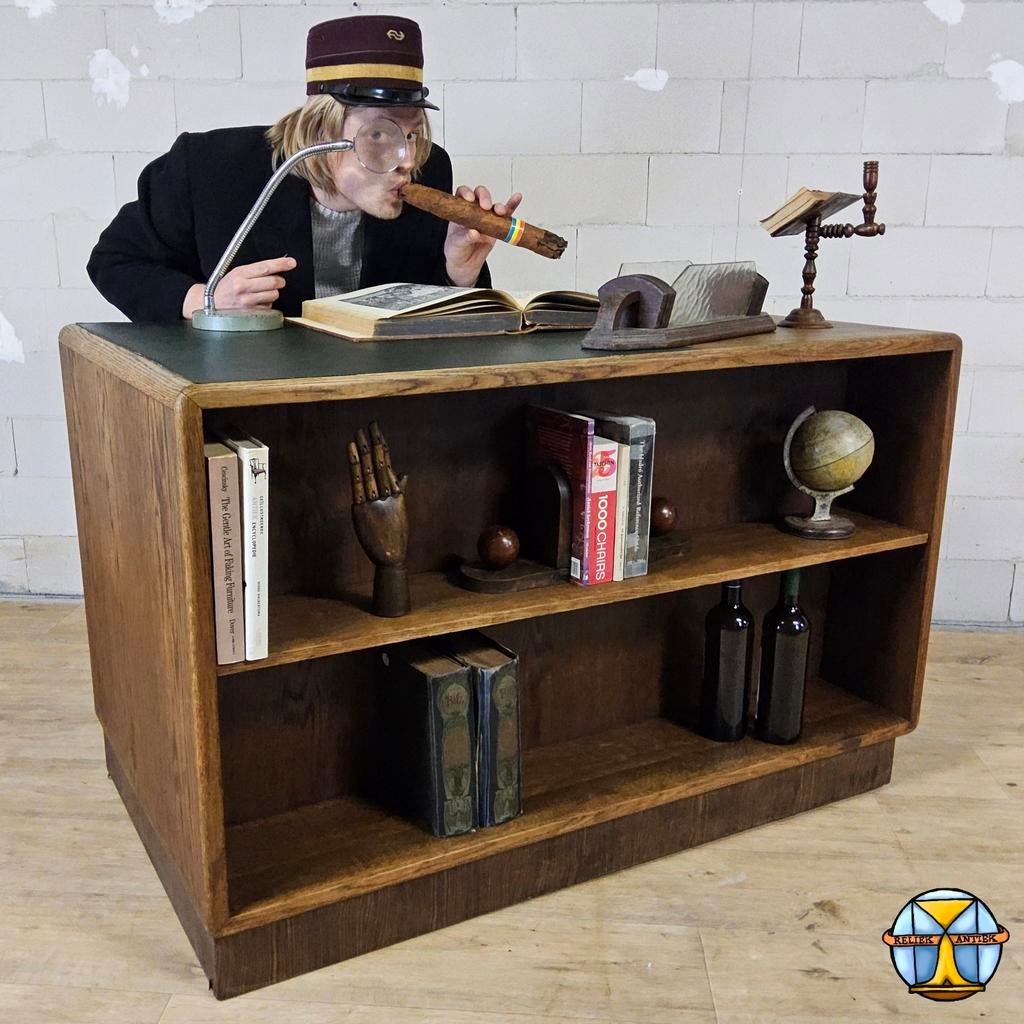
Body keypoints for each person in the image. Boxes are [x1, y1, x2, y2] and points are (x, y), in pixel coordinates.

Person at [87, 15, 522, 323]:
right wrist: (203, 299)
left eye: (411, 134)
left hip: (381, 406)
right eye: (379, 135)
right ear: (321, 131)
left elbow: (425, 316)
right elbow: (113, 262)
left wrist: (458, 273)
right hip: (246, 405)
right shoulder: (209, 169)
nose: (407, 160)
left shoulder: (430, 169)